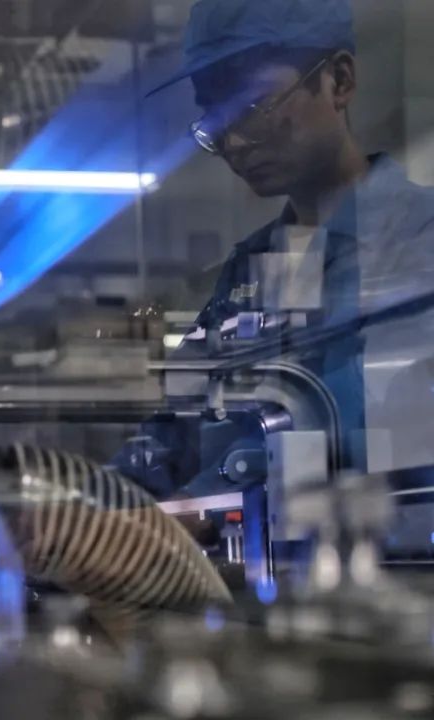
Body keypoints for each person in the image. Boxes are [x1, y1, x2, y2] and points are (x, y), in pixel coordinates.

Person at [126, 0, 434, 495]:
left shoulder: (421, 239)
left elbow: (369, 426)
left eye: (253, 104)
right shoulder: (250, 270)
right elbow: (173, 431)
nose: (232, 141)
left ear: (339, 81)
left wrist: (205, 499)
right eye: (214, 115)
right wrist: (91, 498)